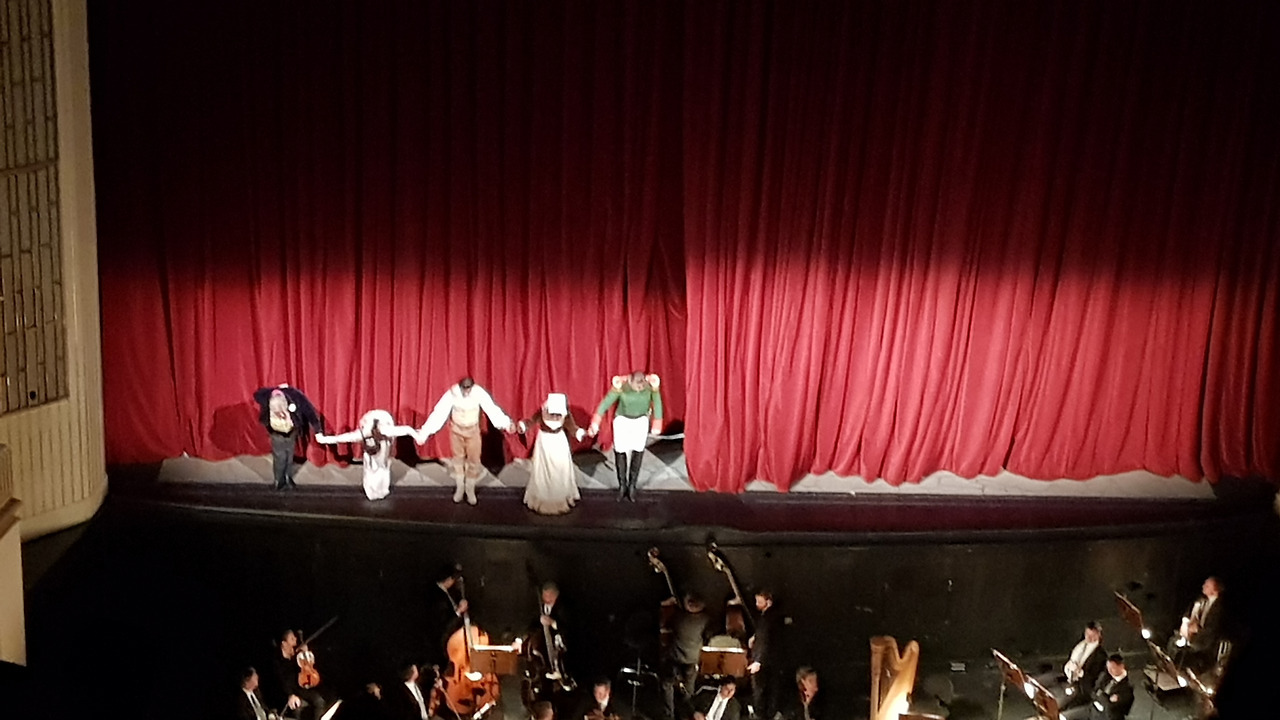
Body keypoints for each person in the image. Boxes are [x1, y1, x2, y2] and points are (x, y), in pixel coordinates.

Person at [416, 376, 514, 504]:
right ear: (460, 387)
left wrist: (506, 424)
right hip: (456, 432)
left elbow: (492, 409)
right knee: (458, 460)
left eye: (468, 388)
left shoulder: (479, 393)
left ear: (472, 387)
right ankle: (460, 487)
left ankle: (470, 488)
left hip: (473, 432)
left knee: (474, 460)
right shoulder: (452, 393)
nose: (466, 391)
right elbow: (439, 413)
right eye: (464, 388)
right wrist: (425, 432)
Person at [588, 372, 664, 501]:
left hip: (640, 422)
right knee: (620, 451)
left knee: (638, 452)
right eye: (637, 386)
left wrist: (657, 422)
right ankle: (622, 485)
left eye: (641, 386)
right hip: (622, 422)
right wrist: (595, 422)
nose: (639, 388)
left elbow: (657, 403)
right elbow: (605, 404)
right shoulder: (621, 387)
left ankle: (632, 485)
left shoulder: (650, 388)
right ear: (630, 382)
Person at [316, 410, 417, 500]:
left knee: (382, 466)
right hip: (370, 423)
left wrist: (417, 436)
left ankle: (382, 489)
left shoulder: (386, 432)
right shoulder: (363, 434)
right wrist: (325, 439)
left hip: (384, 426)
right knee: (370, 466)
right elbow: (344, 438)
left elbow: (407, 430)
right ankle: (371, 490)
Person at [517, 393, 587, 515]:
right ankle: (543, 497)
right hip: (544, 443)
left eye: (558, 414)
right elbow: (531, 421)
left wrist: (578, 432)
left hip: (559, 442)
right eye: (553, 414)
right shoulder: (542, 411)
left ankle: (560, 496)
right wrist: (524, 426)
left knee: (560, 469)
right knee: (543, 471)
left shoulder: (565, 414)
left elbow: (571, 426)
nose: (555, 417)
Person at [253, 384, 324, 489]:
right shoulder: (266, 396)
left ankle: (287, 477)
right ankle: (279, 480)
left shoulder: (295, 396)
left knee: (289, 454)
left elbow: (310, 413)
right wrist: (276, 388)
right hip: (276, 430)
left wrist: (318, 431)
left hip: (291, 429)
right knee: (280, 456)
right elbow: (257, 394)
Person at [664, 593, 711, 717]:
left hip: (675, 656)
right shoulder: (705, 619)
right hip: (693, 658)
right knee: (689, 688)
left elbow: (667, 625)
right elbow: (708, 635)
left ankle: (669, 713)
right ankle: (686, 713)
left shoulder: (679, 617)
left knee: (667, 684)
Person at [1040, 622, 1107, 710]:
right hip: (1067, 674)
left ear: (1098, 635)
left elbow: (1093, 677)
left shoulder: (1100, 655)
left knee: (1064, 696)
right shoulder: (1080, 645)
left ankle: (1053, 707)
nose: (1088, 637)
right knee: (1048, 678)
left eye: (1092, 635)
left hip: (1080, 684)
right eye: (1087, 634)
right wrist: (1069, 666)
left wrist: (1080, 672)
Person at [268, 629, 331, 720]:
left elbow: (308, 668)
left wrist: (306, 654)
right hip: (288, 693)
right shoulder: (277, 662)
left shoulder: (297, 654)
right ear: (284, 644)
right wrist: (290, 695)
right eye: (292, 639)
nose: (295, 640)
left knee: (320, 700)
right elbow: (281, 682)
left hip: (301, 688)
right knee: (298, 710)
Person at [1169, 576, 1226, 672]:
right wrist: (1185, 622)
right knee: (1173, 640)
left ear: (1215, 590)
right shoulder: (1202, 601)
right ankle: (1170, 666)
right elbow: (1189, 612)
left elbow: (1213, 629)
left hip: (1205, 639)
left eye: (1207, 586)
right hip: (1193, 633)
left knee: (1182, 647)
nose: (1203, 586)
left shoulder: (1219, 608)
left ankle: (1180, 669)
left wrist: (1196, 631)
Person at [747, 590, 785, 720]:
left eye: (759, 601)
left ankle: (760, 715)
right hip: (770, 660)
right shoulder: (772, 617)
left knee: (760, 691)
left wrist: (758, 661)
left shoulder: (766, 619)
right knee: (770, 690)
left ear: (768, 602)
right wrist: (754, 637)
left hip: (763, 661)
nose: (757, 604)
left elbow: (765, 641)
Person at [425, 565, 468, 671]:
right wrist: (459, 611)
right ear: (448, 579)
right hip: (440, 643)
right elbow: (443, 623)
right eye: (453, 579)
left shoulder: (442, 592)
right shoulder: (438, 597)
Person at [1087, 655, 1133, 720]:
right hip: (1092, 709)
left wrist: (1100, 695)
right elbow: (1093, 692)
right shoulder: (1105, 675)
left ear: (1121, 666)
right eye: (1108, 668)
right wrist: (1106, 698)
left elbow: (1112, 708)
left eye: (1112, 668)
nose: (1109, 671)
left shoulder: (1127, 686)